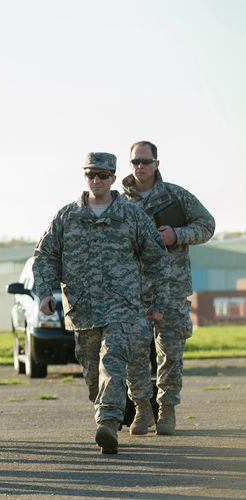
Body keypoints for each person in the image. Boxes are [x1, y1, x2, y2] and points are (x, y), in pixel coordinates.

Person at [32, 152, 170, 454]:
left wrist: (157, 300)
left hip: (124, 307)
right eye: (91, 174)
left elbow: (157, 259)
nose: (97, 180)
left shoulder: (131, 215)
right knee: (93, 374)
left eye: (103, 175)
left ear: (112, 178)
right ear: (85, 177)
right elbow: (45, 257)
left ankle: (108, 423)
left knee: (114, 362)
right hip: (82, 309)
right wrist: (44, 293)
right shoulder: (67, 216)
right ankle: (140, 406)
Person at [122, 141, 215, 435]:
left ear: (157, 164)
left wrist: (177, 234)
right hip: (133, 291)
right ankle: (142, 409)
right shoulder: (120, 203)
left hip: (172, 289)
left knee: (170, 354)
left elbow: (207, 225)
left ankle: (168, 410)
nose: (140, 167)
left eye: (146, 161)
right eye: (135, 161)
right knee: (134, 354)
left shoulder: (176, 196)